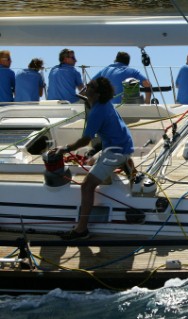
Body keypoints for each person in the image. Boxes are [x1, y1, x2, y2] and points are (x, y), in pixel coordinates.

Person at [52, 77, 134, 240]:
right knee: (90, 161)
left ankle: (81, 230)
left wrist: (65, 149)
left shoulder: (97, 111)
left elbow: (85, 140)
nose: (86, 85)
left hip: (116, 151)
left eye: (90, 85)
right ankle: (128, 166)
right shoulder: (104, 104)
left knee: (87, 186)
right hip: (123, 144)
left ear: (96, 93)